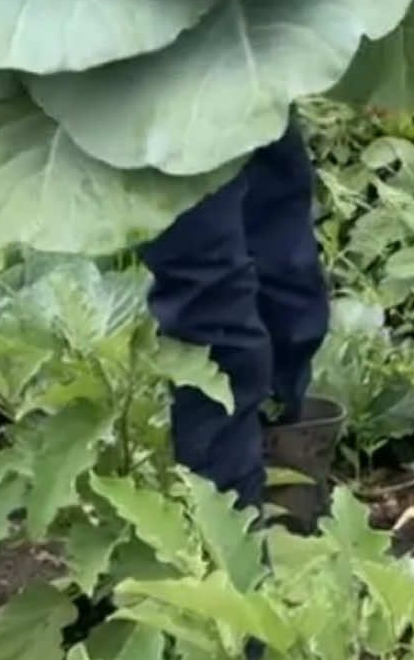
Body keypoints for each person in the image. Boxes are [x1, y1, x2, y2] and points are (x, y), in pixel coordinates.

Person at [138, 116, 341, 528]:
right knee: (208, 299)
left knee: (284, 266)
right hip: (157, 85)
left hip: (235, 59)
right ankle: (232, 542)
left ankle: (285, 481)